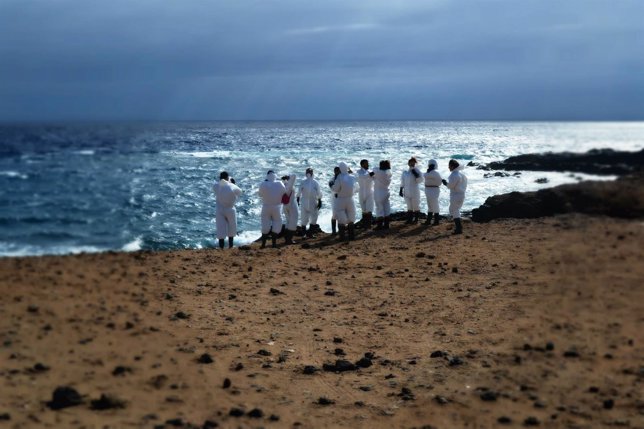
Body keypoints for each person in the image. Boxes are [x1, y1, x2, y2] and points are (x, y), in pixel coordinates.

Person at [258, 170, 286, 248]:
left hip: (266, 207)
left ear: (267, 176)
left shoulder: (263, 184)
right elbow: (284, 193)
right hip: (277, 207)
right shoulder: (280, 183)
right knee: (277, 225)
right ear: (275, 175)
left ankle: (263, 244)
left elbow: (260, 194)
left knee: (265, 226)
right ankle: (274, 244)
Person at [214, 171, 242, 249]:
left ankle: (221, 247)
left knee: (220, 229)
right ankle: (230, 246)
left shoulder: (216, 186)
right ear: (227, 178)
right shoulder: (232, 186)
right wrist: (232, 183)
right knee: (232, 228)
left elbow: (217, 186)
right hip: (230, 209)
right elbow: (240, 192)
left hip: (219, 209)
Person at [331, 161, 358, 240]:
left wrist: (332, 186)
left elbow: (335, 189)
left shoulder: (339, 177)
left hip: (341, 200)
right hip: (350, 199)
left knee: (341, 218)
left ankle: (342, 237)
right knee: (351, 217)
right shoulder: (352, 177)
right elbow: (357, 188)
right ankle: (351, 236)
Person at [442, 159, 468, 234]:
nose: (448, 167)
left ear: (452, 166)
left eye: (449, 166)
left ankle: (459, 228)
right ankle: (459, 227)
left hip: (456, 195)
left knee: (454, 210)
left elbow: (450, 186)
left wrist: (445, 183)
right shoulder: (462, 175)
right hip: (461, 195)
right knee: (455, 210)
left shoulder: (454, 175)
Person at [297, 168, 322, 238]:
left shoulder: (313, 182)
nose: (309, 173)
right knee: (307, 218)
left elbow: (319, 192)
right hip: (307, 201)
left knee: (310, 218)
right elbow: (299, 191)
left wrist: (320, 201)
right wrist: (298, 199)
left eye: (309, 172)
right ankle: (306, 234)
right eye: (308, 172)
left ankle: (308, 234)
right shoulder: (307, 182)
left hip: (310, 201)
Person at [399, 157, 423, 224]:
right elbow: (402, 182)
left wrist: (415, 174)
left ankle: (416, 220)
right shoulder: (405, 172)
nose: (412, 164)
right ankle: (409, 220)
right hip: (406, 191)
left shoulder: (417, 171)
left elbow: (420, 180)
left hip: (415, 191)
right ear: (408, 163)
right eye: (411, 162)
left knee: (416, 205)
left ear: (415, 163)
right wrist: (401, 190)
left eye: (413, 162)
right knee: (409, 206)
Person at [372, 160, 392, 230]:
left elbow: (374, 169)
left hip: (379, 193)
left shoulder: (379, 172)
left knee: (379, 209)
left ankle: (379, 226)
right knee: (386, 208)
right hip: (386, 192)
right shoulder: (388, 173)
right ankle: (387, 224)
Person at [356, 159, 375, 228]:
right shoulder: (358, 172)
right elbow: (361, 177)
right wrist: (369, 175)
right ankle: (364, 225)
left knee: (369, 209)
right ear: (362, 164)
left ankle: (368, 225)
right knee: (363, 210)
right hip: (361, 192)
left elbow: (376, 179)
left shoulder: (370, 172)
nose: (368, 165)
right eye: (366, 163)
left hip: (369, 192)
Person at [423, 159, 442, 226]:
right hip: (429, 189)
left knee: (434, 204)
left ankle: (436, 221)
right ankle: (429, 220)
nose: (430, 166)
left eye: (431, 165)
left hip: (433, 189)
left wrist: (428, 172)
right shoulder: (431, 173)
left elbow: (425, 176)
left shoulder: (435, 173)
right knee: (430, 205)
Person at [281, 174, 298, 244]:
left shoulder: (281, 186)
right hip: (291, 206)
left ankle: (286, 238)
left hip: (285, 206)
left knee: (288, 222)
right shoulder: (289, 185)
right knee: (293, 222)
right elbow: (294, 176)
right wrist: (289, 177)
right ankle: (289, 239)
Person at [328, 166, 341, 235]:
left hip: (341, 199)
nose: (337, 172)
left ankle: (339, 230)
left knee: (341, 214)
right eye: (336, 171)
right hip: (334, 199)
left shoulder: (341, 179)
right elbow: (332, 188)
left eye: (338, 171)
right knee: (334, 215)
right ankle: (333, 231)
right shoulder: (332, 179)